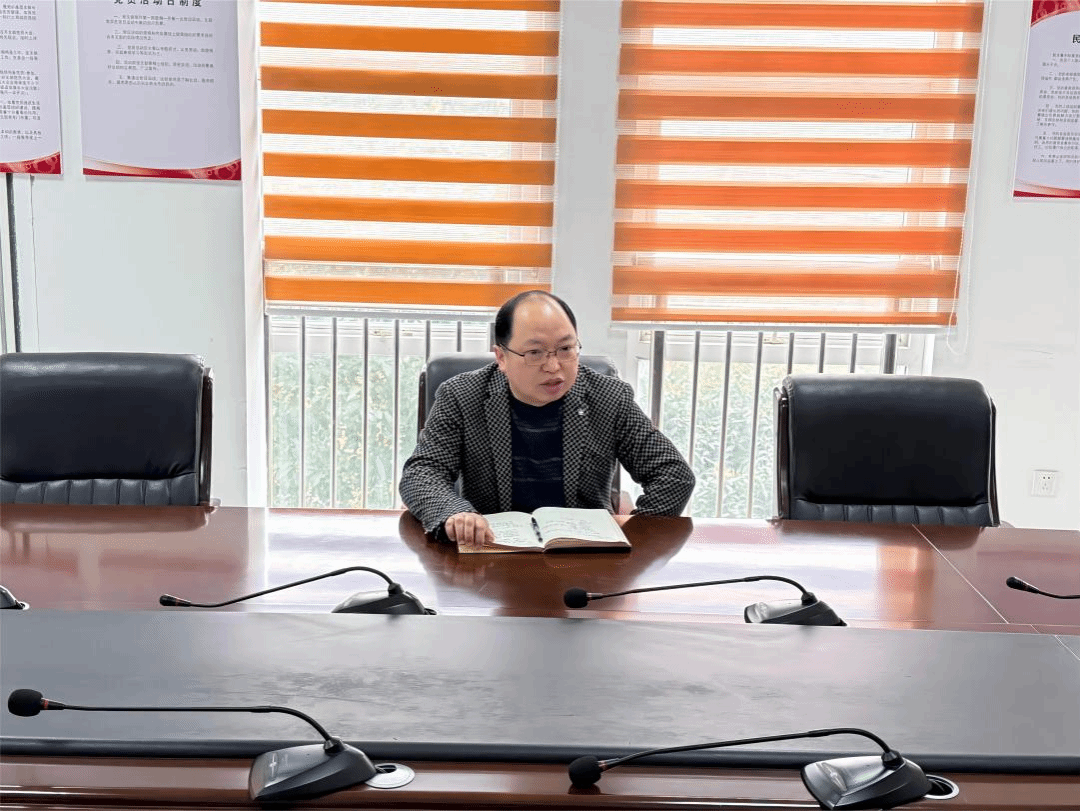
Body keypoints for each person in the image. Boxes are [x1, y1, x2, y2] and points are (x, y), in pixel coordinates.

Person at [399, 291, 695, 548]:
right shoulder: (462, 396)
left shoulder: (608, 396)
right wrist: (454, 513)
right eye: (535, 353)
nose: (554, 367)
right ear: (501, 357)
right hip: (493, 552)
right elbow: (422, 473)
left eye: (566, 349)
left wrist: (633, 537)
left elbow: (673, 475)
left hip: (583, 558)